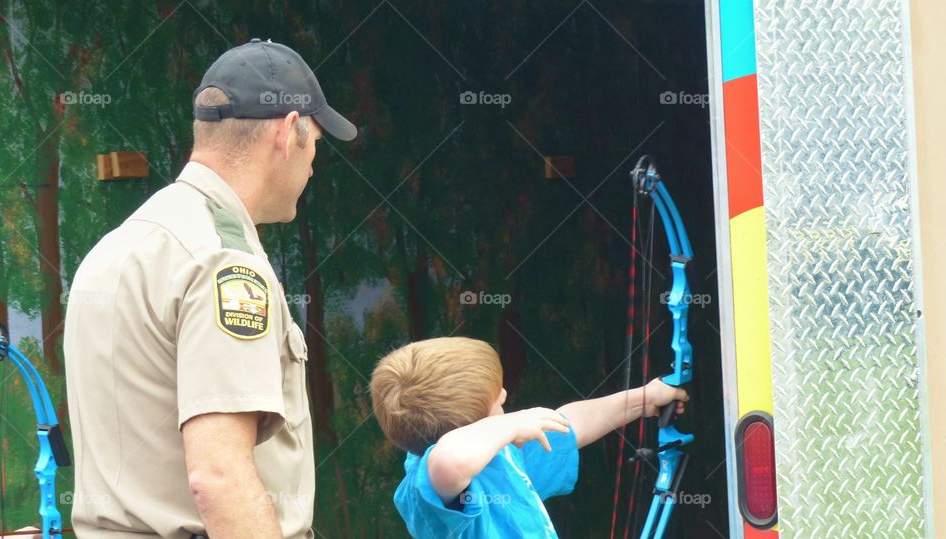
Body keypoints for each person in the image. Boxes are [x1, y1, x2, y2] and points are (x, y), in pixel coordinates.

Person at [63, 39, 356, 538]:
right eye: (316, 146)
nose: (312, 166)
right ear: (288, 133)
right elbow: (218, 477)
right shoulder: (224, 260)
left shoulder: (122, 243)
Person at [369, 337, 689, 538]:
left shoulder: (500, 455)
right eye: (498, 402)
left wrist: (642, 399)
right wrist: (510, 426)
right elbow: (449, 460)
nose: (506, 394)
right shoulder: (428, 495)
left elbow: (566, 425)